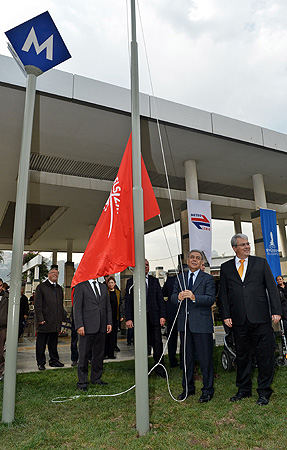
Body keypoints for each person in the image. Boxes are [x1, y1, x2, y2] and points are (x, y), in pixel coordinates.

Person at [219, 233, 281, 406]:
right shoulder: (226, 267)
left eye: (248, 244)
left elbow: (271, 287)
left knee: (264, 356)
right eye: (243, 244)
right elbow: (223, 294)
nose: (247, 246)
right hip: (238, 320)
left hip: (260, 317)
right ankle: (243, 390)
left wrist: (276, 310)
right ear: (234, 248)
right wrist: (225, 315)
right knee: (242, 357)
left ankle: (264, 391)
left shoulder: (260, 263)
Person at [171, 250, 216, 402]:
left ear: (201, 262)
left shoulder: (208, 279)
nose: (194, 260)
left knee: (205, 359)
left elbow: (210, 299)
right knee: (186, 359)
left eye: (198, 258)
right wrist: (177, 297)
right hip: (185, 325)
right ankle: (187, 389)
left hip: (202, 325)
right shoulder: (180, 277)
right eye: (192, 257)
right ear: (187, 260)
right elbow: (172, 297)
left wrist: (194, 297)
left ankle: (207, 390)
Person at [125, 259, 167, 378]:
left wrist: (163, 316)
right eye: (144, 265)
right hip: (139, 320)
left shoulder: (154, 281)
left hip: (154, 318)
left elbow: (160, 299)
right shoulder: (131, 282)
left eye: (147, 265)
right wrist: (128, 318)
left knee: (158, 344)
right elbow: (128, 302)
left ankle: (160, 369)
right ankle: (142, 370)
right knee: (141, 345)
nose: (146, 267)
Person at [73, 278, 112, 391]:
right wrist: (79, 325)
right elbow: (77, 307)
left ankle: (96, 378)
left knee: (99, 354)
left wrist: (109, 322)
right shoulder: (81, 286)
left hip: (102, 326)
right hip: (86, 327)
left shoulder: (103, 287)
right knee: (84, 355)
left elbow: (107, 307)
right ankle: (82, 382)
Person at [34, 265, 67, 371]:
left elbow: (60, 305)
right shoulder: (41, 287)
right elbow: (37, 305)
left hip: (55, 321)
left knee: (53, 343)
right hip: (44, 321)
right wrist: (40, 319)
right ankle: (41, 363)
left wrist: (62, 318)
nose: (55, 274)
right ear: (48, 275)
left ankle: (54, 360)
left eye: (57, 273)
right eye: (53, 272)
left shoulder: (59, 288)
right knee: (41, 344)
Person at [162, 271, 179, 368]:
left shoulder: (170, 280)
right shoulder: (185, 279)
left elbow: (163, 293)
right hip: (181, 312)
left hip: (171, 312)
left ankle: (172, 360)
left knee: (171, 338)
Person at [105, 276, 122, 359]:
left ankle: (111, 353)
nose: (111, 284)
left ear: (115, 283)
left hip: (116, 316)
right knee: (107, 336)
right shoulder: (105, 292)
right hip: (107, 317)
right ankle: (105, 353)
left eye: (112, 282)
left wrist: (121, 315)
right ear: (107, 284)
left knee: (113, 335)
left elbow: (120, 305)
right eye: (109, 283)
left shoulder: (118, 293)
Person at [0, 279, 9, 381]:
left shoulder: (7, 297)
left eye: (1, 285)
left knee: (0, 352)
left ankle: (0, 372)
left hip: (3, 327)